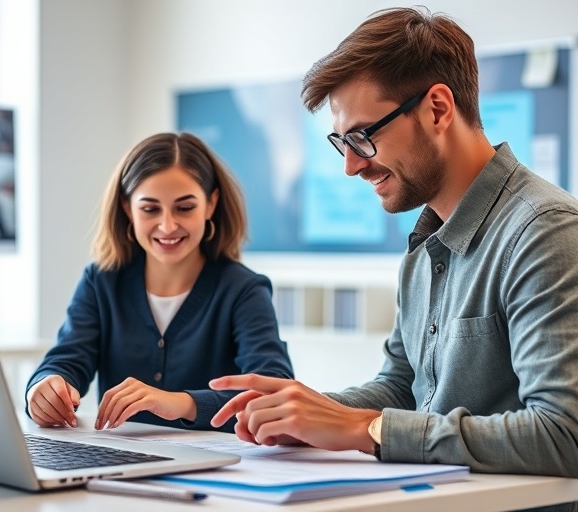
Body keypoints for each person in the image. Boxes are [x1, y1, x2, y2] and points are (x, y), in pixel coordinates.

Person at [209, 5, 578, 491]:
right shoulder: (425, 246)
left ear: (438, 109)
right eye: (342, 143)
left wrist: (364, 429)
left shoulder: (543, 232)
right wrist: (305, 410)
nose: (351, 167)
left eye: (363, 137)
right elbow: (403, 387)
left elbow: (563, 434)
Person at [25, 132, 294, 433]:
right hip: (119, 466)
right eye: (150, 209)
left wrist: (178, 402)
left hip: (214, 469)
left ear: (210, 204)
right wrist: (45, 388)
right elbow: (65, 362)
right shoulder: (101, 282)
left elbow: (275, 394)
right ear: (128, 209)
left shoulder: (243, 290)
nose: (167, 225)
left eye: (185, 207)